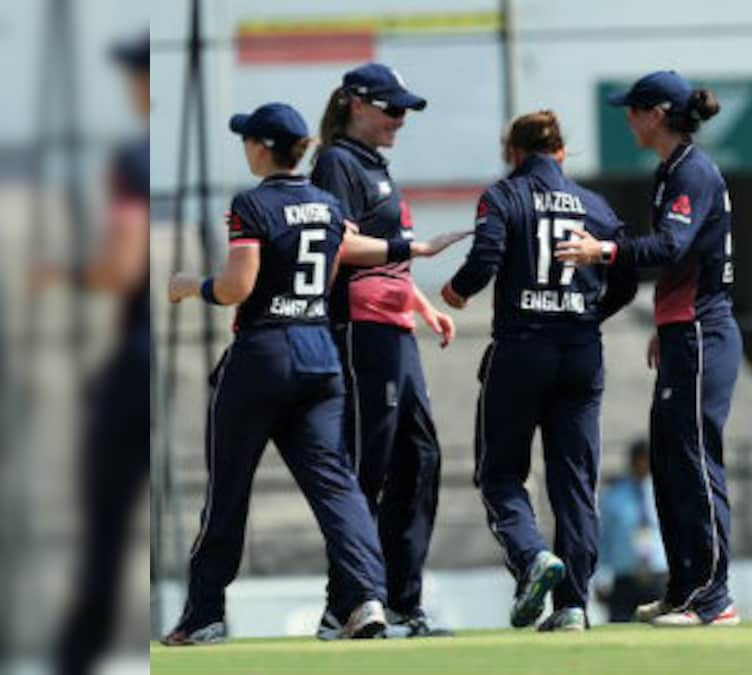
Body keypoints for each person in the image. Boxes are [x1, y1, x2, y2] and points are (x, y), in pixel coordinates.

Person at [160, 102, 460, 645]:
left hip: (263, 353)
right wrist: (406, 246)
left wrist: (189, 285)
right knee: (337, 487)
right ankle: (365, 597)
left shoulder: (251, 204)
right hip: (320, 355)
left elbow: (237, 287)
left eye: (247, 141)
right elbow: (348, 248)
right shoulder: (324, 203)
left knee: (229, 489)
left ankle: (204, 615)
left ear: (259, 147)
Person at [555, 70, 741, 628]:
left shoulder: (692, 172)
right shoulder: (674, 172)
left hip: (704, 335)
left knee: (695, 463)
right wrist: (666, 320)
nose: (627, 120)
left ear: (655, 114)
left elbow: (670, 246)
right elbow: (685, 258)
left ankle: (712, 597)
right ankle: (685, 588)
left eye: (633, 111)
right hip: (687, 330)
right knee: (669, 461)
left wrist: (601, 251)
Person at [441, 110, 637, 631]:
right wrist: (593, 311)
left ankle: (532, 557)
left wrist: (457, 289)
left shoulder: (503, 195)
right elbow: (628, 274)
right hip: (580, 350)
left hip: (523, 348)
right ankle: (573, 604)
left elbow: (486, 255)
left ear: (514, 153)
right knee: (574, 483)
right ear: (562, 153)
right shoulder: (594, 205)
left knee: (501, 472)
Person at [310, 63, 463, 638]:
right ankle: (348, 602)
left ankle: (401, 602)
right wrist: (411, 246)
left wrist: (424, 307)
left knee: (419, 460)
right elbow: (335, 242)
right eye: (391, 108)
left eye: (405, 110)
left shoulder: (375, 166)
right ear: (356, 104)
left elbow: (387, 261)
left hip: (394, 327)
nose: (401, 119)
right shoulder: (336, 162)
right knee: (364, 465)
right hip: (358, 330)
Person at [52, 31, 150, 674]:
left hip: (133, 358)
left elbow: (122, 266)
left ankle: (77, 655)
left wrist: (60, 275)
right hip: (153, 360)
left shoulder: (133, 159)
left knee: (105, 523)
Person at [596, 440, 668, 623]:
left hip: (659, 573)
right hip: (626, 575)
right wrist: (600, 576)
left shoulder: (666, 491)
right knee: (619, 624)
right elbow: (605, 538)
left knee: (663, 626)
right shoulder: (614, 494)